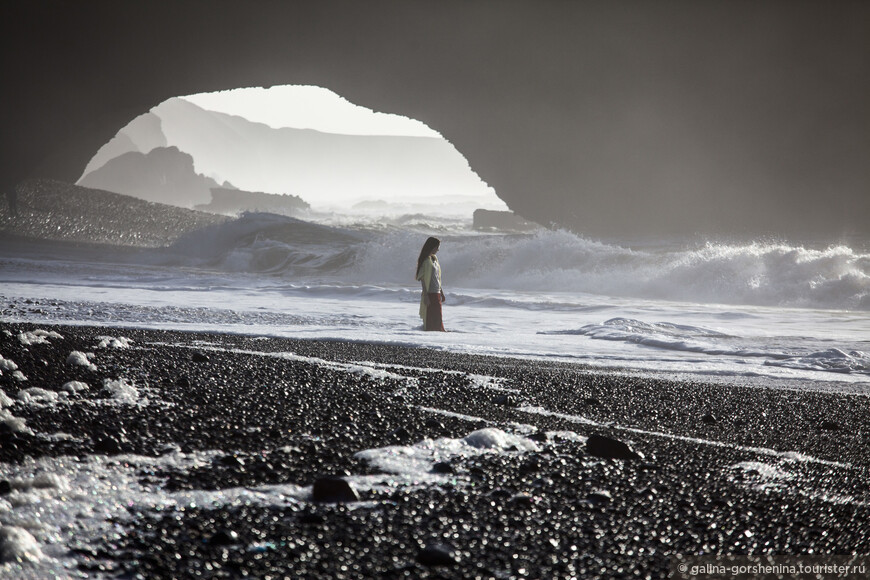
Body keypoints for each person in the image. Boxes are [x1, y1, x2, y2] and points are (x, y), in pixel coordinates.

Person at [415, 236, 446, 331]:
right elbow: (422, 279)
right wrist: (425, 296)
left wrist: (442, 292)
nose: (438, 250)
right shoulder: (426, 261)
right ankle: (432, 333)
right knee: (432, 316)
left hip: (436, 291)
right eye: (437, 247)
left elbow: (438, 278)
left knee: (438, 315)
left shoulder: (435, 260)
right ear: (432, 247)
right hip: (430, 292)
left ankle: (439, 331)